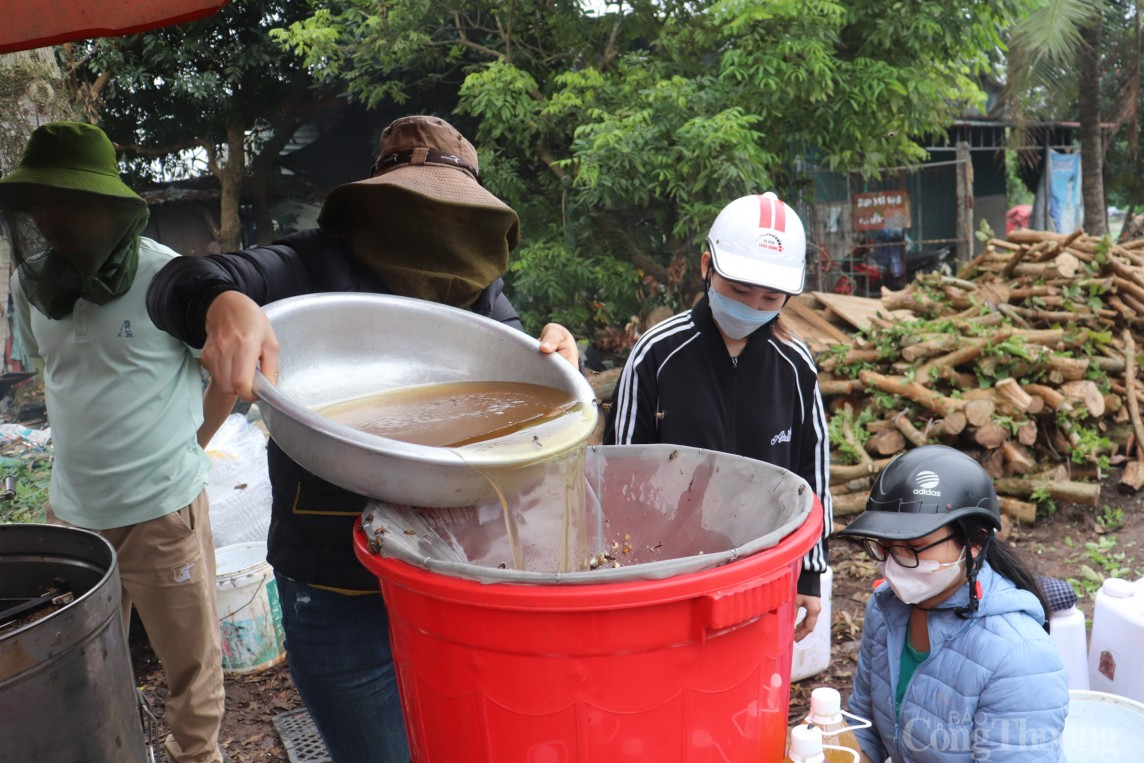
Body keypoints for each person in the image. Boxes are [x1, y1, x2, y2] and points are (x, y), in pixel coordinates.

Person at [145, 115, 579, 763]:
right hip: (336, 591)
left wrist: (554, 353)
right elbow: (175, 282)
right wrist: (220, 304)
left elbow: (518, 357)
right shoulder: (302, 265)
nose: (439, 230)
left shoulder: (474, 287)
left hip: (447, 581)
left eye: (456, 216)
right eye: (418, 207)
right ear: (378, 197)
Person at [0, 122, 234, 763]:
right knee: (88, 666)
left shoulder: (170, 280)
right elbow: (65, 381)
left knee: (191, 663)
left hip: (162, 514)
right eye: (39, 201)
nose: (49, 217)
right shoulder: (32, 287)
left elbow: (227, 379)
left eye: (68, 199)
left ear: (109, 204)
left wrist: (191, 445)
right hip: (72, 518)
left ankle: (198, 756)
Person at [603, 192, 832, 641]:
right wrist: (627, 573)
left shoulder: (794, 364)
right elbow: (619, 474)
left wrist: (810, 572)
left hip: (765, 568)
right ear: (707, 266)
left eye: (770, 297)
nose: (752, 306)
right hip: (671, 571)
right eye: (739, 290)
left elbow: (812, 471)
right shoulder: (657, 354)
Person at [837, 445, 1069, 762]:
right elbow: (865, 728)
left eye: (913, 548)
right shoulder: (885, 609)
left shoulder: (1019, 657)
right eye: (884, 547)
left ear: (973, 544)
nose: (893, 564)